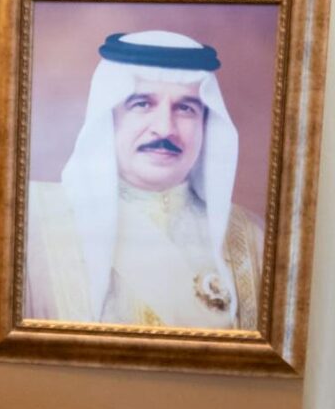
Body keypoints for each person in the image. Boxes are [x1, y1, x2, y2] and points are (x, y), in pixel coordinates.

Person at [25, 30, 264, 329]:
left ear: (205, 124)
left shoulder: (251, 238)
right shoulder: (32, 224)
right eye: (142, 104)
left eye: (185, 108)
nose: (165, 129)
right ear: (108, 117)